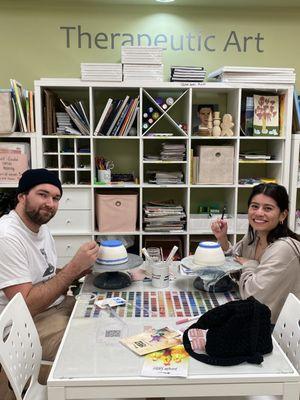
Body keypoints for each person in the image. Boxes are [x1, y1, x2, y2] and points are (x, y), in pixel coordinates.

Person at [0, 168, 99, 361]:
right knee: (92, 348)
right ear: (22, 196)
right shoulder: (7, 236)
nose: (50, 204)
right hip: (22, 326)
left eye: (55, 198)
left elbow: (46, 278)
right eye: (42, 195)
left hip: (54, 307)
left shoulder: (41, 229)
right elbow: (25, 305)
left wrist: (83, 268)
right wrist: (73, 268)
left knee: (106, 319)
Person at [211, 183, 300, 324]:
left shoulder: (283, 249)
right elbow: (235, 259)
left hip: (273, 329)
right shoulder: (255, 236)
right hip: (254, 318)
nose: (259, 213)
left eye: (268, 208)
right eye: (254, 206)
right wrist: (222, 238)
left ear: (283, 214)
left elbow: (253, 297)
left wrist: (250, 264)